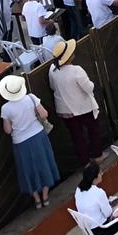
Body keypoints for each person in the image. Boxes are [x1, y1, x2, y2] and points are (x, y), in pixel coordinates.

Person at [0, 73, 60, 208]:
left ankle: (36, 199)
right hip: (38, 136)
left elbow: (8, 130)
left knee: (27, 170)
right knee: (44, 164)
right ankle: (45, 196)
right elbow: (44, 114)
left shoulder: (5, 108)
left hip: (20, 142)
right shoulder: (31, 98)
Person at [47, 39, 101, 169]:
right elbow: (88, 88)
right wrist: (92, 84)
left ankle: (85, 163)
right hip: (82, 107)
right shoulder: (76, 70)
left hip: (64, 110)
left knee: (77, 137)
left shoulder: (52, 69)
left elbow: (52, 87)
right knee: (93, 129)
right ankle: (97, 156)